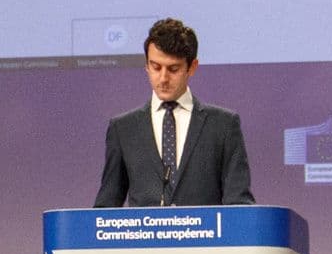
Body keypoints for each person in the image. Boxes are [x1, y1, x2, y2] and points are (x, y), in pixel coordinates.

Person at [94, 17, 255, 208]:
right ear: (146, 65)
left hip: (207, 238)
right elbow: (106, 208)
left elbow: (239, 205)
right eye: (155, 67)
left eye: (173, 69)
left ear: (192, 67)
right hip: (144, 237)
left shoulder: (224, 125)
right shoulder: (122, 129)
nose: (163, 78)